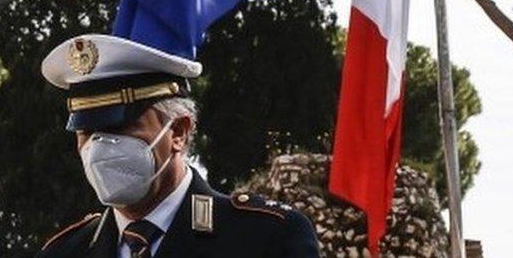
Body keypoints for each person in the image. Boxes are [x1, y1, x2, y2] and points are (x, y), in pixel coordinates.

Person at [35, 34, 321, 257]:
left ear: (179, 132)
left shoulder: (266, 238)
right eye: (86, 132)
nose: (98, 147)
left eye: (117, 127)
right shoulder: (64, 252)